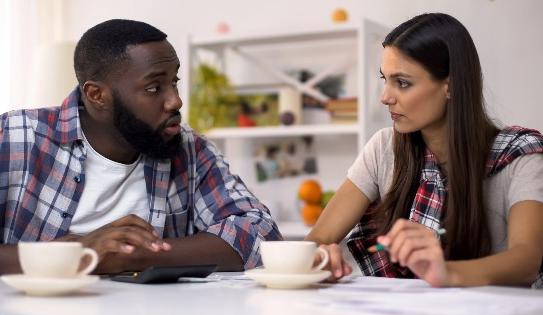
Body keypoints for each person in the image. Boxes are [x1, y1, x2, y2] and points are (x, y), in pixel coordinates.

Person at [0, 19, 282, 275]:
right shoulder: (15, 138)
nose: (175, 101)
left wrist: (135, 257)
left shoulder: (190, 149)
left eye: (174, 82)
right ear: (97, 95)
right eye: (153, 88)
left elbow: (260, 231)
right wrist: (79, 254)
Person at [306, 13, 543, 288]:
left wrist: (447, 273)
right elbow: (317, 240)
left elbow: (527, 259)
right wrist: (321, 256)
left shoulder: (521, 155)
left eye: (402, 83)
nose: (385, 97)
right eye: (385, 79)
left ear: (450, 86)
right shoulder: (383, 149)